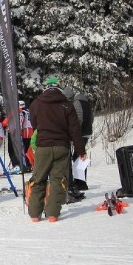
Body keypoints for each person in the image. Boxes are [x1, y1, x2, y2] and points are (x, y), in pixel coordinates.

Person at [27, 77, 87, 223]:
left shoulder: (36, 103)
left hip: (43, 147)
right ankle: (52, 214)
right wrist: (81, 150)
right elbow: (75, 129)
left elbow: (34, 124)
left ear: (46, 87)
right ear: (59, 88)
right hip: (61, 147)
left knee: (38, 179)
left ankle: (35, 215)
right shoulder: (67, 104)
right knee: (57, 180)